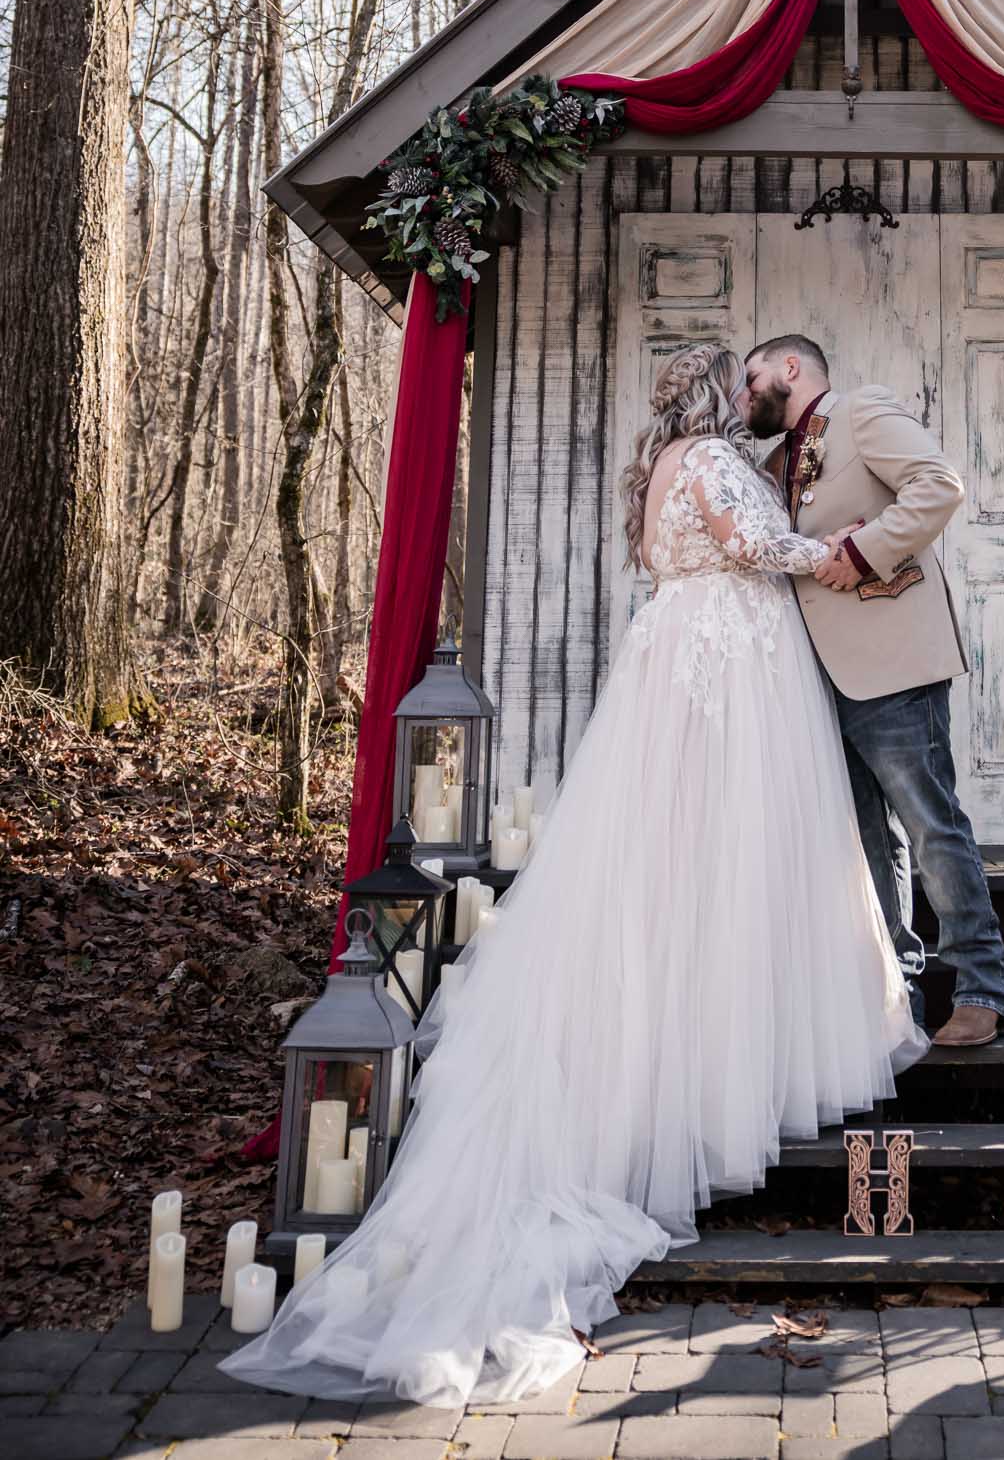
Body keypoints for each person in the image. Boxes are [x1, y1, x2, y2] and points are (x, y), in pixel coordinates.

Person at [222, 344, 922, 1407]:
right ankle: (708, 1056)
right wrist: (834, 550)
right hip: (725, 666)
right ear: (711, 398)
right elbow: (754, 542)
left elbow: (671, 558)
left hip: (682, 654)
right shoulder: (712, 462)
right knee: (721, 848)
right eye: (736, 386)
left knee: (672, 856)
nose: (748, 401)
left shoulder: (658, 468)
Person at [741, 333, 1004, 1048]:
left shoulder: (862, 413)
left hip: (892, 666)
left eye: (753, 376)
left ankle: (983, 988)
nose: (746, 394)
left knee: (931, 827)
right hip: (816, 678)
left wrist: (864, 550)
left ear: (790, 368)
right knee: (866, 842)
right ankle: (896, 993)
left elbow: (937, 484)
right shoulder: (774, 461)